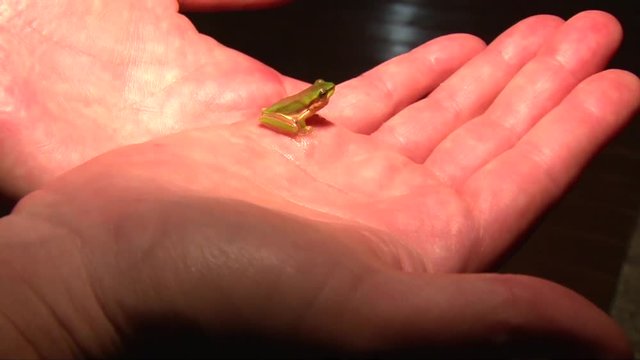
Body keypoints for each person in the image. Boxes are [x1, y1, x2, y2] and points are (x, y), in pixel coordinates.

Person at [0, 1, 638, 358]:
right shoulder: (300, 109)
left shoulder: (314, 103)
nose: (324, 96)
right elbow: (292, 117)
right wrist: (63, 283)